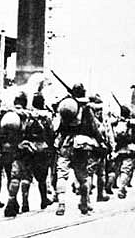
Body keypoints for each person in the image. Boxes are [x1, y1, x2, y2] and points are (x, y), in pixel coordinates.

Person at [55, 83, 105, 215]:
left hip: (66, 144)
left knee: (62, 175)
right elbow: (94, 129)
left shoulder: (67, 107)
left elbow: (60, 128)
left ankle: (61, 204)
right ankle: (84, 203)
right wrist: (102, 142)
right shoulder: (87, 108)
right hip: (81, 146)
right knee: (83, 176)